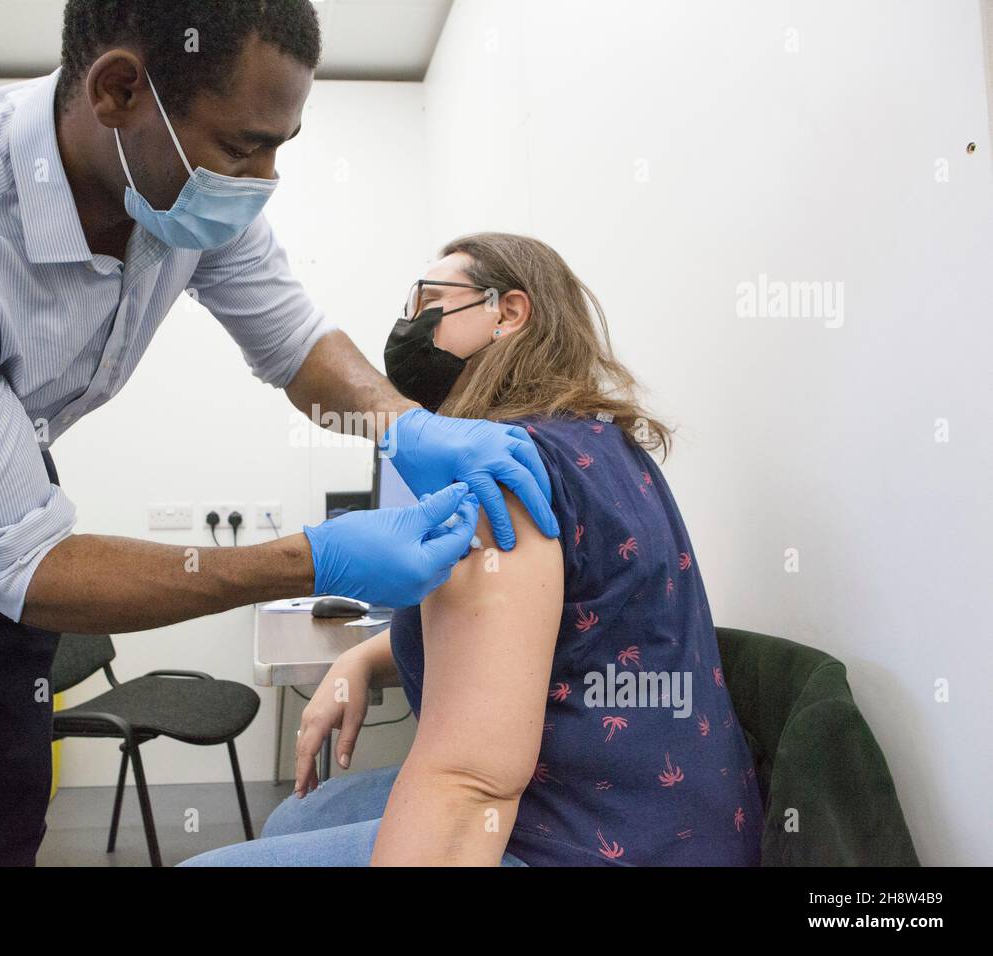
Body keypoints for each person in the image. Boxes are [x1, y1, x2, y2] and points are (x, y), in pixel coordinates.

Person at [0, 3, 559, 866]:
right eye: (241, 146)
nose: (264, 178)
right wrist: (313, 557)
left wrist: (408, 431)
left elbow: (293, 343)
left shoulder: (181, 186)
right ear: (119, 90)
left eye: (279, 146)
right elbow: (22, 564)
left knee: (0, 792)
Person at [180, 232, 765, 866]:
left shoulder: (502, 474)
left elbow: (469, 783)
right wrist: (361, 661)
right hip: (684, 815)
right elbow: (546, 626)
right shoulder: (603, 443)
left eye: (428, 300)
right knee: (302, 814)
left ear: (508, 312)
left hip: (598, 841)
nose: (409, 324)